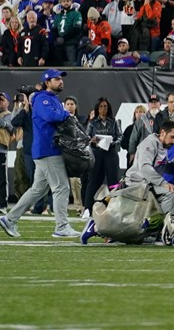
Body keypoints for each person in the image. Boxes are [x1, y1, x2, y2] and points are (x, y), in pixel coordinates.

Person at [0, 70, 78, 239]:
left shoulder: (52, 99)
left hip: (46, 149)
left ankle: (9, 219)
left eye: (61, 79)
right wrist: (66, 114)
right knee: (61, 187)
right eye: (56, 79)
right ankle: (62, 226)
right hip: (48, 149)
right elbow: (50, 116)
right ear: (47, 82)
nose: (60, 81)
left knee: (37, 190)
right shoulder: (42, 99)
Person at [82, 97, 121, 216]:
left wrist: (111, 142)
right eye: (101, 107)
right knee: (93, 181)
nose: (103, 109)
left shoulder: (114, 121)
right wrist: (92, 140)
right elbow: (86, 137)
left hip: (110, 153)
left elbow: (120, 136)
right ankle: (87, 208)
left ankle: (114, 208)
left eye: (105, 106)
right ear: (97, 109)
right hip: (97, 153)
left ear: (108, 108)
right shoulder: (92, 123)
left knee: (113, 182)